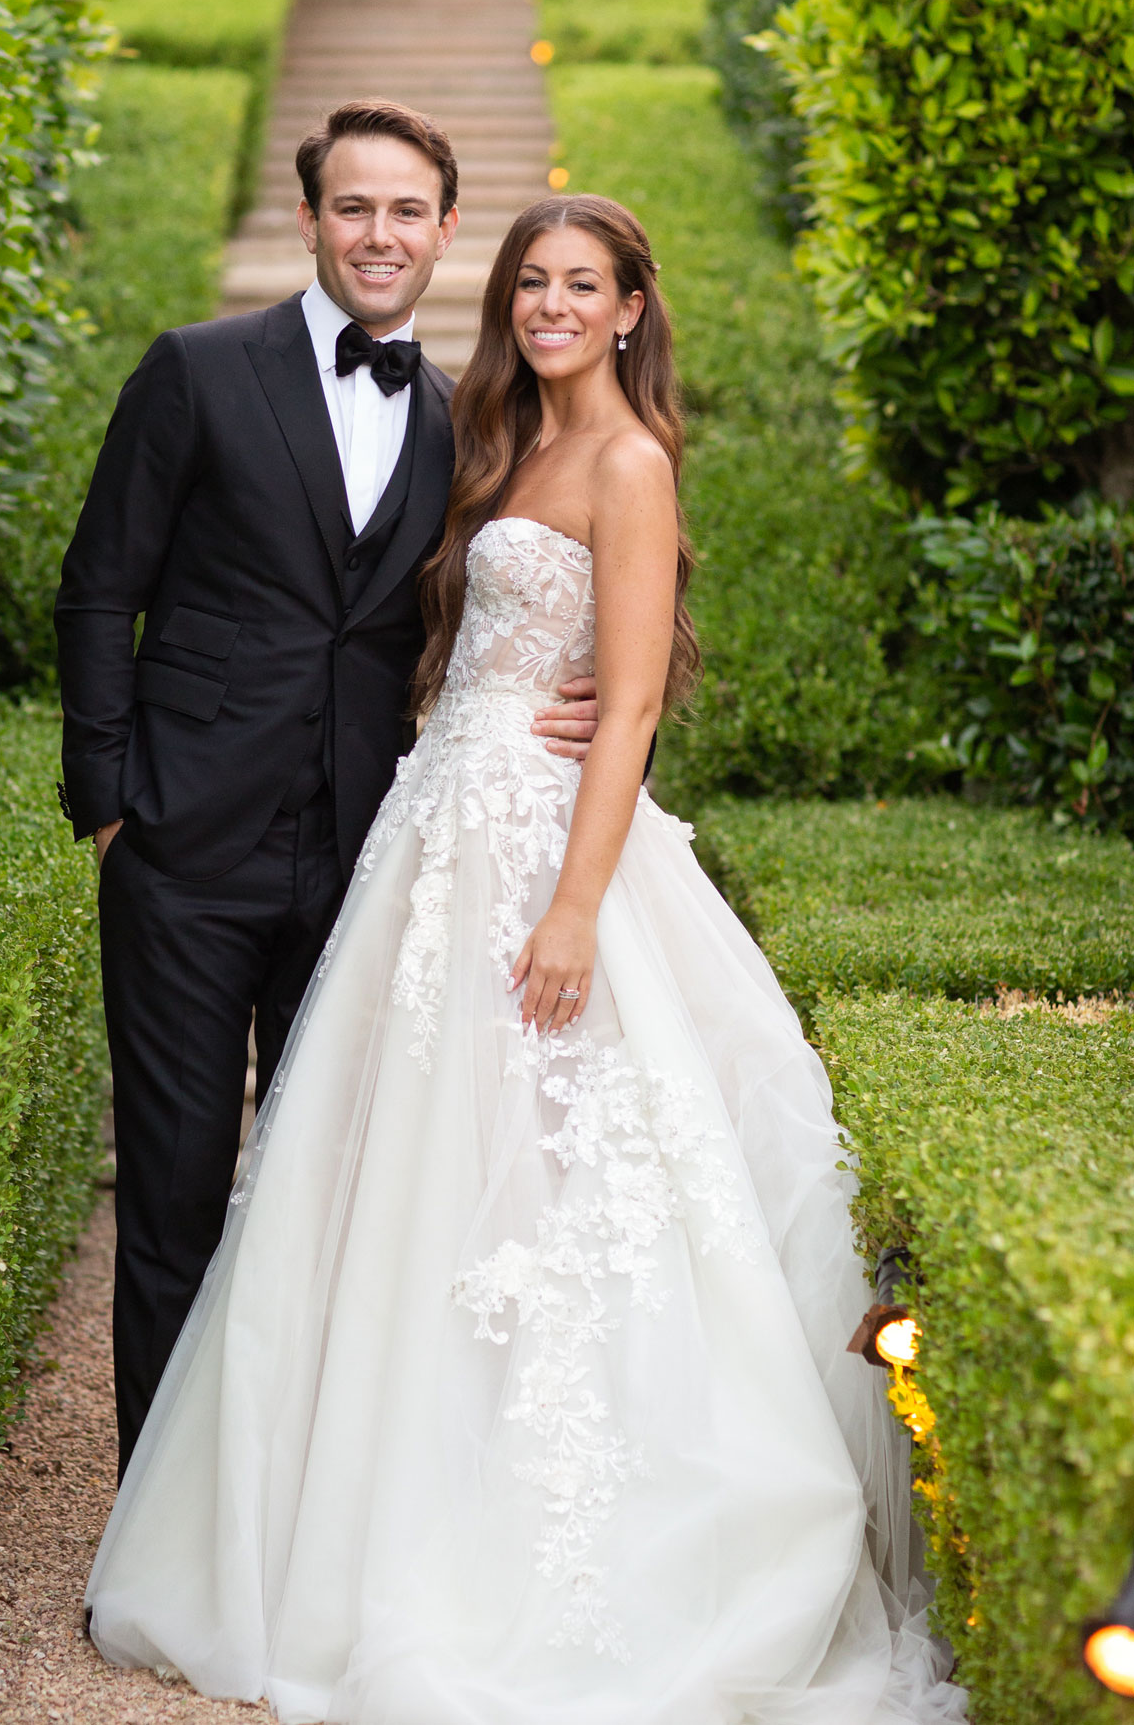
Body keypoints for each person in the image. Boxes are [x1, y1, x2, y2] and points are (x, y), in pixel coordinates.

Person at [82, 194, 968, 1725]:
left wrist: (573, 906)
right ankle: (353, 1501)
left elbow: (623, 706)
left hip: (543, 858)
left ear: (634, 307)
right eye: (533, 283)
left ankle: (551, 1535)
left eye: (584, 285)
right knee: (409, 1181)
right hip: (433, 834)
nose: (553, 304)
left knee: (560, 1183)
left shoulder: (628, 459)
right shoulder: (490, 437)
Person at [54, 101, 600, 1477]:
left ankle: (285, 1509)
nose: (379, 233)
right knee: (173, 1198)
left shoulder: (461, 425)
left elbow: (480, 608)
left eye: (406, 210)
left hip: (368, 868)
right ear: (307, 222)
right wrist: (112, 802)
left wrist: (556, 699)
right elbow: (97, 587)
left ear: (444, 231)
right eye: (353, 207)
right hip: (183, 852)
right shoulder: (196, 370)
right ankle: (155, 1513)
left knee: (326, 1203)